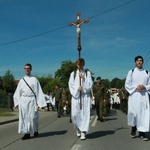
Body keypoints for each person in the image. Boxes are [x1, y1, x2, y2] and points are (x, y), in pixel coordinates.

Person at [13, 63, 46, 140]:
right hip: (23, 101)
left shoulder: (34, 79)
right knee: (24, 117)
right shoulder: (21, 81)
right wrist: (17, 102)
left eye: (28, 68)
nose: (27, 69)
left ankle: (35, 129)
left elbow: (38, 91)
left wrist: (39, 103)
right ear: (24, 70)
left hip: (32, 100)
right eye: (25, 68)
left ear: (31, 69)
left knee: (33, 117)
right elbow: (18, 92)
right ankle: (26, 133)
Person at [125, 56, 150, 141]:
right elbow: (127, 84)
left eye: (141, 61)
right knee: (134, 114)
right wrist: (136, 87)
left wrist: (144, 87)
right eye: (138, 61)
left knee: (143, 114)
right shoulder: (131, 72)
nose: (139, 62)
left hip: (144, 96)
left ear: (142, 62)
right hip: (134, 95)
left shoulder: (147, 73)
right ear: (135, 62)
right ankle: (133, 128)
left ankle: (142, 133)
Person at [68, 58, 93, 140]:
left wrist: (83, 78)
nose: (80, 66)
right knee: (75, 115)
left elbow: (90, 85)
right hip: (76, 97)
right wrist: (76, 90)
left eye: (81, 64)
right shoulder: (73, 74)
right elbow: (70, 85)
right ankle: (78, 128)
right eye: (78, 64)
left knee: (85, 115)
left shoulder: (87, 73)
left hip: (85, 97)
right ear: (76, 64)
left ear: (83, 64)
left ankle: (83, 132)